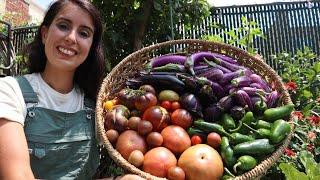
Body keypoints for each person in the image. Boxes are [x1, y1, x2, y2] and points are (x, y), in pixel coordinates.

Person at [0, 0, 143, 179]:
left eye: (84, 33)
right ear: (44, 34)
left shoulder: (96, 107)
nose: (71, 38)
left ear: (91, 47)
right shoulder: (10, 91)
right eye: (63, 26)